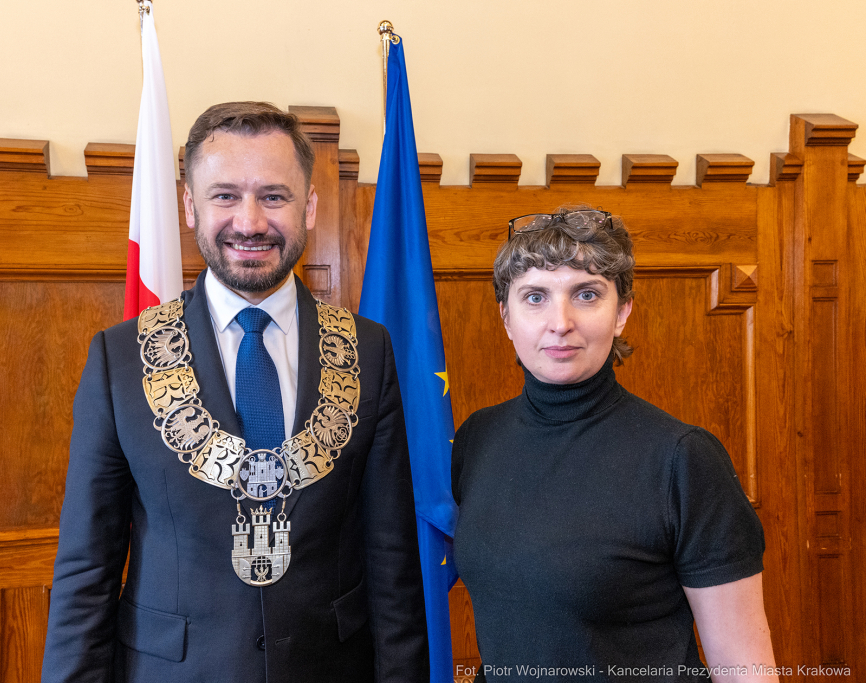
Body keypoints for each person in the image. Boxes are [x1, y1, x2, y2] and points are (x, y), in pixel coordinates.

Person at [41, 102, 429, 683]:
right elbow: (86, 570)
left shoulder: (366, 351)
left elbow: (392, 560)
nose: (249, 222)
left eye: (274, 196)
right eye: (225, 195)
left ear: (309, 207)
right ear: (189, 205)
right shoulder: (120, 359)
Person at [451, 208, 778, 683]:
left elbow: (744, 666)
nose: (560, 322)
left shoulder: (683, 459)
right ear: (506, 317)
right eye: (535, 297)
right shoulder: (477, 437)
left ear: (622, 311)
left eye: (586, 294)